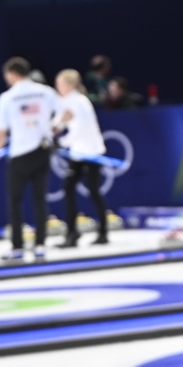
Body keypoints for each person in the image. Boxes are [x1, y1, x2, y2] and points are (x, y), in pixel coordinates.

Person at [0, 56, 60, 262]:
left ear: (11, 74)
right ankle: (41, 245)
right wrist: (52, 130)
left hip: (20, 155)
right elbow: (65, 113)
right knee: (39, 199)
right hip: (42, 152)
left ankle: (17, 246)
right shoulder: (45, 92)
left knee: (14, 201)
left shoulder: (8, 97)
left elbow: (0, 131)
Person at [52, 68, 109, 247]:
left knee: (93, 190)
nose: (57, 87)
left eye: (59, 84)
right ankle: (72, 233)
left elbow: (80, 129)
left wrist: (62, 142)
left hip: (91, 153)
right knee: (68, 188)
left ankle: (103, 232)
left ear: (69, 85)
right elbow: (56, 122)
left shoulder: (80, 102)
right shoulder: (66, 101)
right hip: (78, 153)